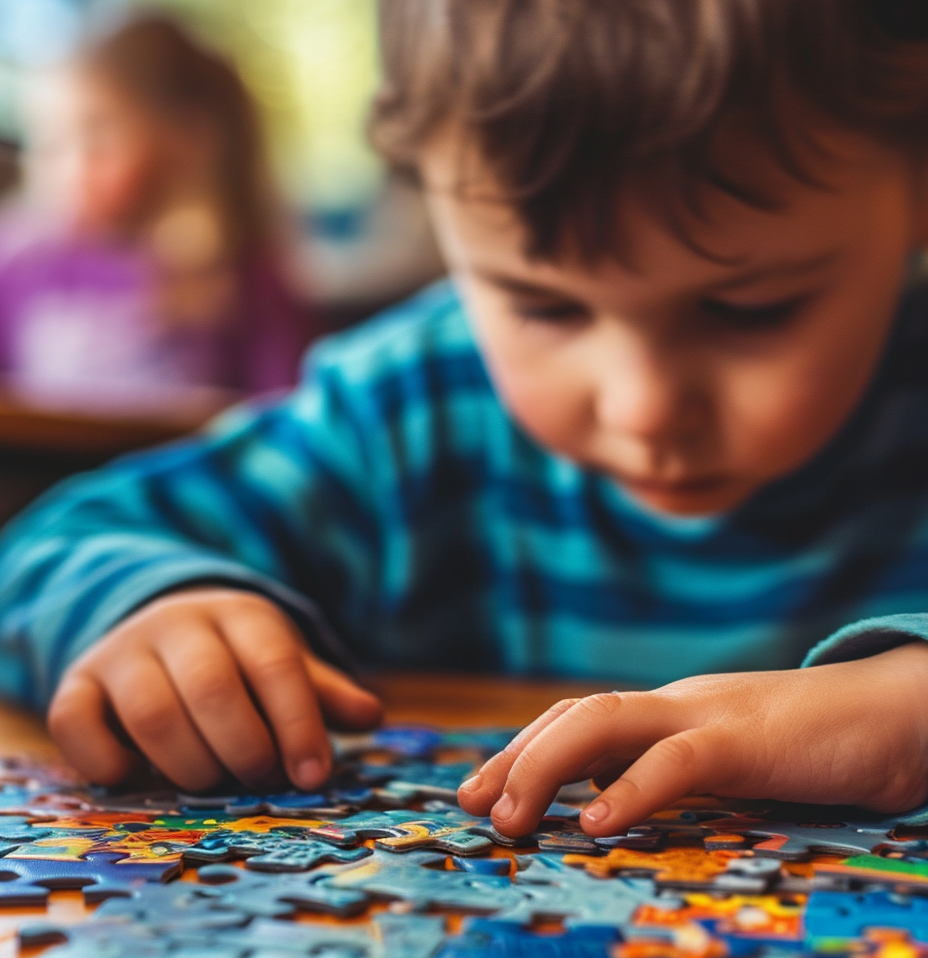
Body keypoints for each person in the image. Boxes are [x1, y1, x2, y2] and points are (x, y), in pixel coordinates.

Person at [0, 0, 927, 843]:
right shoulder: (403, 413)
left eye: (750, 310)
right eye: (544, 306)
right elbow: (54, 544)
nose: (641, 406)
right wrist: (157, 610)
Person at [0, 15, 310, 413]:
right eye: (50, 141)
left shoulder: (244, 283)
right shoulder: (24, 271)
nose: (62, 166)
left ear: (185, 141)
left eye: (96, 136)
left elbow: (285, 425)